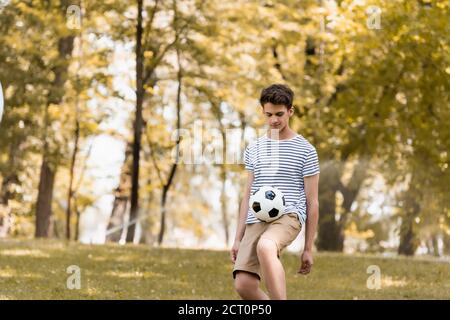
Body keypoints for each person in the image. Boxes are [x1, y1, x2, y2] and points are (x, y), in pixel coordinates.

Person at [231, 84, 320, 300]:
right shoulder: (254, 148)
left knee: (266, 245)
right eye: (269, 114)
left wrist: (308, 248)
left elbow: (313, 202)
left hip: (289, 215)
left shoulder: (306, 150)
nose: (274, 120)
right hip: (256, 218)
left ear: (290, 111)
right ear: (263, 112)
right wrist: (237, 238)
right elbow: (248, 196)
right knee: (244, 285)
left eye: (279, 114)